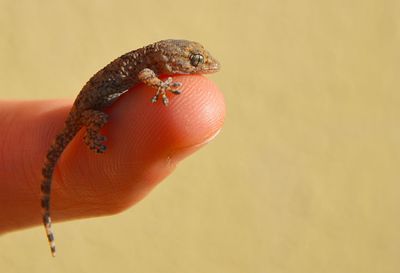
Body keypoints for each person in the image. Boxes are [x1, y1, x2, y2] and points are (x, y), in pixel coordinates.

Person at [0, 75, 225, 233]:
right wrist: (159, 85)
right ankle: (89, 135)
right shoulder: (147, 69)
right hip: (87, 112)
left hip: (87, 105)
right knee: (102, 120)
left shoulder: (149, 62)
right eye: (194, 61)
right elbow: (146, 75)